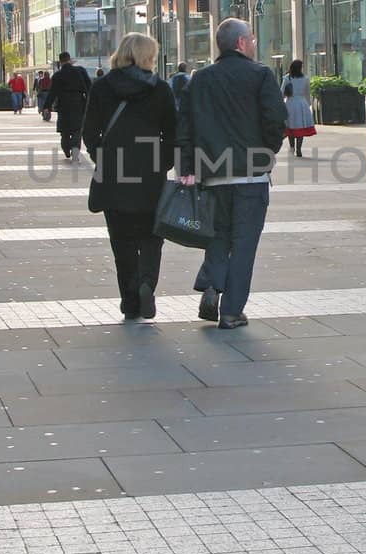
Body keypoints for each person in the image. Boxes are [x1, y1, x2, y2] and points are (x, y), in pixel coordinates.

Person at [178, 18, 287, 330]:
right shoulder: (260, 75)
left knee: (217, 234)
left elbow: (184, 126)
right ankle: (231, 311)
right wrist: (267, 152)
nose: (254, 43)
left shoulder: (199, 79)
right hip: (250, 176)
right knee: (243, 244)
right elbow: (275, 120)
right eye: (251, 38)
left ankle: (212, 284)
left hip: (211, 175)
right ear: (241, 43)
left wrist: (187, 167)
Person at [83, 33, 177, 321]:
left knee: (121, 243)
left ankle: (130, 301)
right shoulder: (160, 89)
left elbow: (89, 131)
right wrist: (163, 162)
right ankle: (147, 281)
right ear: (148, 56)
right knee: (152, 236)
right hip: (150, 174)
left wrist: (103, 157)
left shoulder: (102, 87)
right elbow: (172, 132)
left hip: (114, 175)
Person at [48, 50, 92, 158]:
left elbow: (52, 92)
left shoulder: (57, 75)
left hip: (63, 105)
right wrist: (89, 102)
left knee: (65, 130)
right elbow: (88, 87)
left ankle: (66, 148)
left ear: (60, 61)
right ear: (70, 60)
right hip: (78, 103)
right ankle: (75, 150)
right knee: (78, 129)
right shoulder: (80, 71)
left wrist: (46, 106)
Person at [281, 59, 316, 157]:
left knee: (290, 126)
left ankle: (292, 147)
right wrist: (308, 104)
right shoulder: (305, 79)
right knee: (300, 126)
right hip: (301, 103)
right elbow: (307, 93)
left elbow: (281, 91)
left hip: (290, 102)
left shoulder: (287, 78)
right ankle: (299, 149)